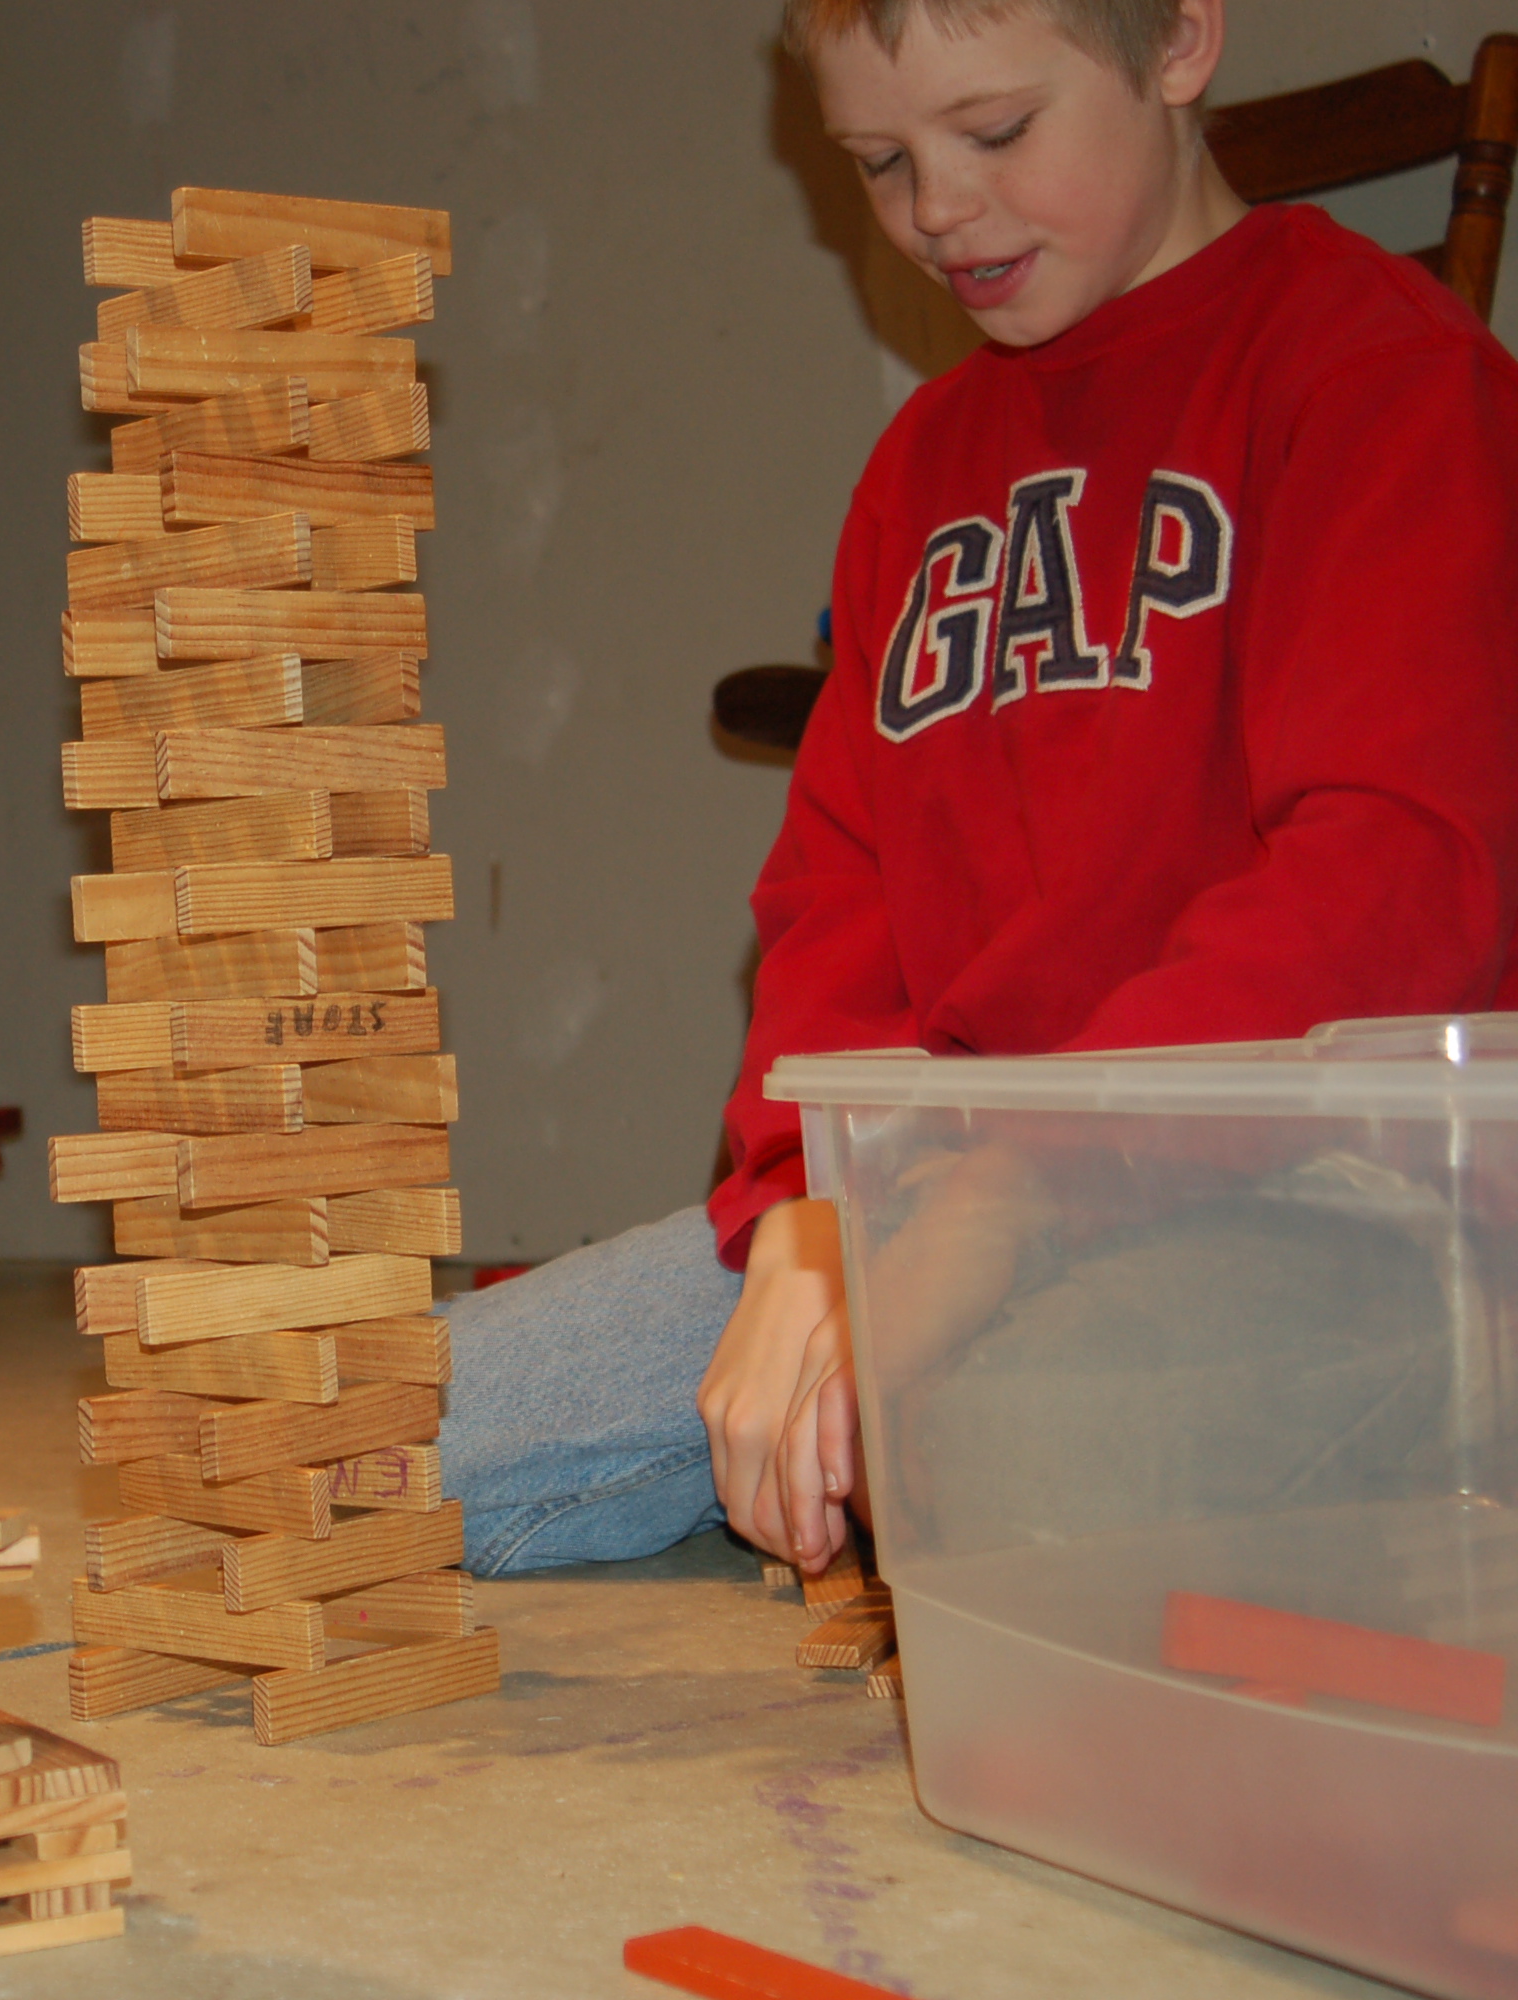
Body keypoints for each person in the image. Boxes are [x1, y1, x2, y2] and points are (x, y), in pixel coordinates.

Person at [438, 0, 1518, 1577]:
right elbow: (837, 891)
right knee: (397, 1428)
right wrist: (812, 1209)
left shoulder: (1390, 378)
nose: (937, 208)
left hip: (1328, 1202)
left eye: (996, 131)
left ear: (1180, 39)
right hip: (936, 1192)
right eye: (878, 162)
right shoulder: (924, 465)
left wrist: (1014, 1190)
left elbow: (1396, 882)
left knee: (997, 1448)